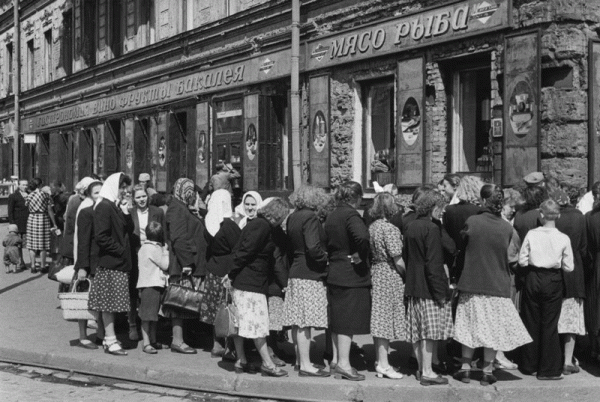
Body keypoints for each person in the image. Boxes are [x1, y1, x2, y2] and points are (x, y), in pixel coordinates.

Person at [453, 184, 531, 386]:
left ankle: (465, 368)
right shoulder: (506, 228)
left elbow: (461, 248)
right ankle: (487, 371)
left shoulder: (472, 222)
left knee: (468, 327)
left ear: (483, 201)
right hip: (497, 282)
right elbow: (511, 255)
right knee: (491, 329)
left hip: (472, 281)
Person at [228, 197, 290, 377]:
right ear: (277, 214)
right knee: (259, 324)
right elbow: (246, 251)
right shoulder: (262, 226)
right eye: (283, 216)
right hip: (251, 282)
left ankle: (241, 360)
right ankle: (268, 364)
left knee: (240, 324)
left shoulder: (258, 224)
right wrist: (231, 273)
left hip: (245, 281)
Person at [518, 199, 574, 380]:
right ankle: (548, 369)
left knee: (531, 320)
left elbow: (522, 260)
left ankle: (529, 364)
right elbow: (569, 266)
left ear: (541, 215)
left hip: (533, 277)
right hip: (553, 278)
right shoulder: (563, 238)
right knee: (550, 324)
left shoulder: (532, 234)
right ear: (558, 215)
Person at [403, 189, 453, 386]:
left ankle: (421, 369)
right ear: (432, 207)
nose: (441, 213)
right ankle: (427, 372)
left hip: (414, 285)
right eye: (440, 209)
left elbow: (407, 257)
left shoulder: (411, 225)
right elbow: (433, 265)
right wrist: (441, 293)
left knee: (417, 331)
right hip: (428, 288)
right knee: (429, 334)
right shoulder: (431, 229)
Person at [324, 181, 370, 381]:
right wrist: (360, 255)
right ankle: (344, 364)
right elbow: (362, 237)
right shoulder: (351, 215)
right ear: (357, 197)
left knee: (337, 319)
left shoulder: (332, 215)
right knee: (346, 322)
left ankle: (335, 360)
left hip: (335, 271)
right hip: (350, 274)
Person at [283, 185, 330, 377]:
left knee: (297, 321)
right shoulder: (310, 216)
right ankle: (306, 365)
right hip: (309, 272)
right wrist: (325, 259)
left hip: (296, 270)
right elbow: (313, 247)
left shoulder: (293, 216)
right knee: (305, 322)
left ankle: (299, 360)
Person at [88, 173, 134, 356]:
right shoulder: (104, 206)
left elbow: (128, 230)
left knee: (113, 304)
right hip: (110, 262)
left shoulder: (113, 205)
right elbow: (101, 237)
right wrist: (121, 250)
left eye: (125, 187)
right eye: (122, 187)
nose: (124, 191)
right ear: (114, 186)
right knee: (109, 304)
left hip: (117, 262)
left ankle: (109, 337)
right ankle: (110, 339)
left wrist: (125, 212)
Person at [163, 178, 208, 354]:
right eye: (190, 192)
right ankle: (177, 340)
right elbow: (178, 238)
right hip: (184, 265)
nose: (192, 195)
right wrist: (187, 263)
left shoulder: (181, 207)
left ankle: (182, 338)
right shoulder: (177, 209)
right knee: (179, 302)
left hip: (187, 262)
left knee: (184, 302)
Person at [368, 192, 405, 380]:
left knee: (379, 318)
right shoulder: (389, 229)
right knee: (385, 320)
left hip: (376, 271)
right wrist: (406, 274)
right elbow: (397, 258)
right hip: (389, 273)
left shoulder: (373, 226)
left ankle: (380, 361)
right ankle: (383, 364)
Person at [551, 188, 587, 375]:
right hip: (575, 273)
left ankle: (554, 357)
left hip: (554, 273)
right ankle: (567, 360)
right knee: (571, 319)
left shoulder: (552, 217)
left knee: (553, 317)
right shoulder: (579, 217)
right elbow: (583, 247)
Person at [202, 189, 240, 357]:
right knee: (229, 308)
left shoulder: (209, 222)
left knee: (216, 309)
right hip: (227, 271)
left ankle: (216, 344)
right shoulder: (229, 226)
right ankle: (230, 347)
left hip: (212, 269)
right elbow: (238, 249)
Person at [128, 184, 166, 342]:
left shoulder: (157, 212)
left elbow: (163, 232)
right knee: (133, 290)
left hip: (153, 255)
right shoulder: (130, 213)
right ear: (133, 199)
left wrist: (163, 250)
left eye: (143, 196)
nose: (141, 200)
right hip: (135, 255)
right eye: (138, 197)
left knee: (151, 292)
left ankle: (151, 331)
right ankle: (132, 325)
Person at [73, 180, 104, 349]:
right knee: (83, 300)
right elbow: (83, 242)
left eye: (102, 192)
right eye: (96, 193)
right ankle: (83, 336)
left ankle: (100, 334)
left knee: (99, 300)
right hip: (88, 263)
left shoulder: (105, 211)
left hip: (101, 263)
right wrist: (82, 267)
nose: (99, 195)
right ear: (90, 195)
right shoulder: (86, 212)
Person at [443, 176, 484, 283]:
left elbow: (447, 234)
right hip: (476, 257)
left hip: (456, 257)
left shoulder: (449, 210)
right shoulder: (480, 211)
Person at [136, 221, 169, 354]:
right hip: (152, 284)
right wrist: (165, 251)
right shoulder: (154, 248)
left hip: (146, 284)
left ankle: (152, 341)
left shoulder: (144, 247)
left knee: (152, 315)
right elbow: (165, 265)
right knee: (148, 316)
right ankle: (147, 343)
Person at [25, 178, 58, 273]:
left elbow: (27, 206)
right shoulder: (46, 195)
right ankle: (43, 266)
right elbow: (50, 209)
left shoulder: (29, 195)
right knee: (43, 244)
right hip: (43, 218)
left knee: (31, 244)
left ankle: (32, 265)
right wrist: (54, 223)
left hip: (32, 218)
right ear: (40, 185)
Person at [585, 182, 600, 362]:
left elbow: (586, 248)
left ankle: (596, 349)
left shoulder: (590, 217)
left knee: (596, 308)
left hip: (596, 264)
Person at [7, 179, 29, 270]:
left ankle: (32, 262)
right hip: (18, 223)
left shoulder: (30, 195)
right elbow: (10, 211)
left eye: (26, 185)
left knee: (29, 244)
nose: (25, 186)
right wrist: (12, 223)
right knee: (18, 244)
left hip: (29, 222)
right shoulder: (13, 196)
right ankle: (21, 261)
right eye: (23, 185)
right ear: (19, 186)